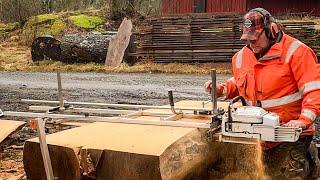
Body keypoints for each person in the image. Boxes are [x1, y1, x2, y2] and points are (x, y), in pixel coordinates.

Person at [204, 8, 320, 179]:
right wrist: (223, 89)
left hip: (289, 134)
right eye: (248, 39)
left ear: (271, 30)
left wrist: (303, 121)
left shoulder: (297, 53)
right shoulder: (242, 57)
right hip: (258, 136)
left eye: (255, 38)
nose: (251, 43)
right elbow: (241, 82)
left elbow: (314, 89)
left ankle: (308, 163)